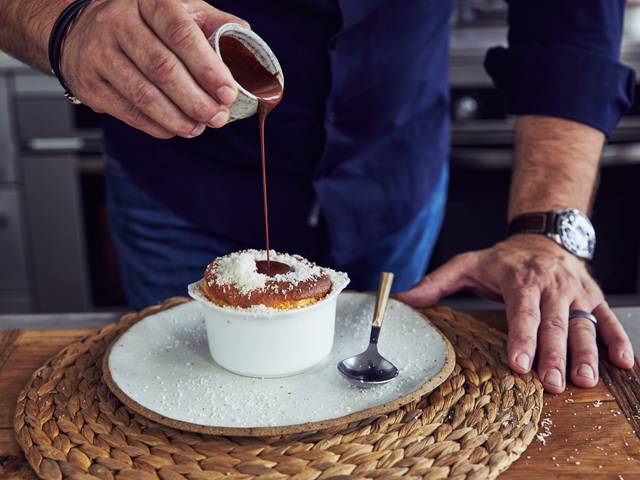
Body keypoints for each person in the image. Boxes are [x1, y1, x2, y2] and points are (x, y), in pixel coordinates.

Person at [0, 0, 635, 394]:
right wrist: (65, 20)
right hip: (182, 171)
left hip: (392, 164)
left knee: (383, 408)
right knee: (184, 400)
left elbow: (569, 18)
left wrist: (550, 229)